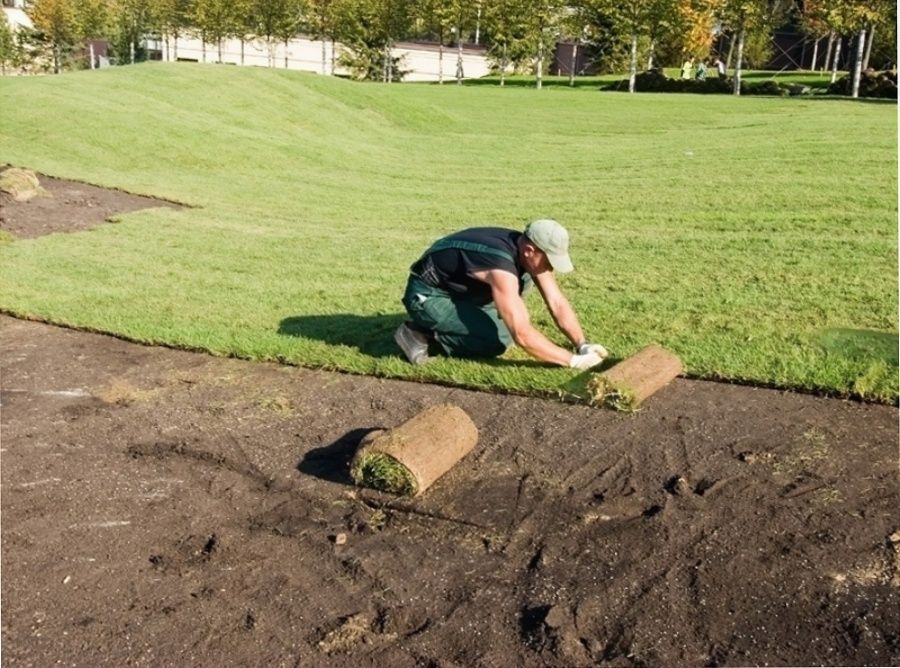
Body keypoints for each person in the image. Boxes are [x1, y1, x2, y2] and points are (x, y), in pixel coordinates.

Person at [394, 220, 609, 370]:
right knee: (496, 341)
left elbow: (556, 302)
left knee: (508, 320)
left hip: (460, 290)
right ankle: (419, 334)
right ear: (530, 251)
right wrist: (572, 361)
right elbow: (522, 335)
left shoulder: (524, 248)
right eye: (549, 260)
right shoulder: (499, 266)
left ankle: (458, 322)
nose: (551, 267)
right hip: (428, 295)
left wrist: (582, 344)